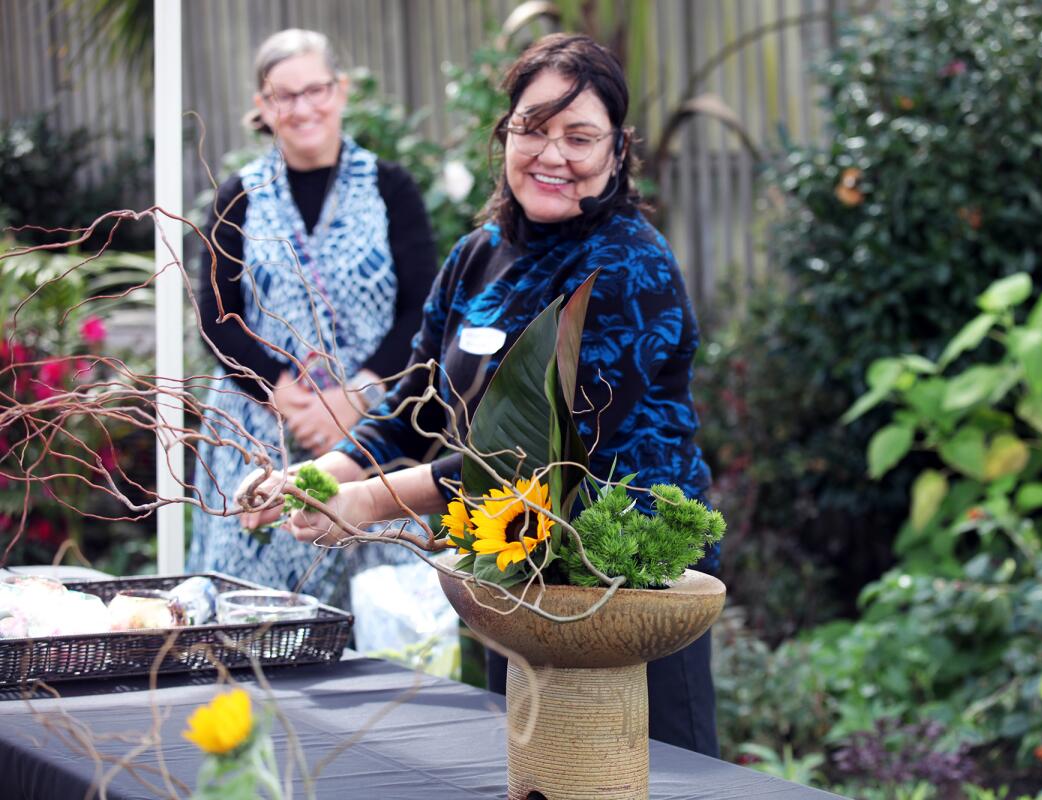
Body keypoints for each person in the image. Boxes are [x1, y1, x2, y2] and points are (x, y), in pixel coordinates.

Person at [241, 32, 721, 756]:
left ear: (617, 152)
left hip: (627, 596)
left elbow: (546, 454)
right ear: (505, 137)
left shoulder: (630, 265)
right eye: (532, 128)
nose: (551, 154)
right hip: (516, 581)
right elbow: (411, 410)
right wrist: (318, 475)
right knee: (530, 774)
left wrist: (371, 501)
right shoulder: (477, 258)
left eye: (579, 137)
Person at [189, 29, 437, 611]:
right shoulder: (239, 195)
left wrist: (356, 396)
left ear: (340, 90)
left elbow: (423, 307)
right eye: (283, 96)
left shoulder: (389, 188)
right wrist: (287, 397)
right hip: (260, 436)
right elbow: (217, 316)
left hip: (378, 434)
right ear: (262, 105)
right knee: (251, 619)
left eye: (315, 90)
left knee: (386, 617)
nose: (302, 108)